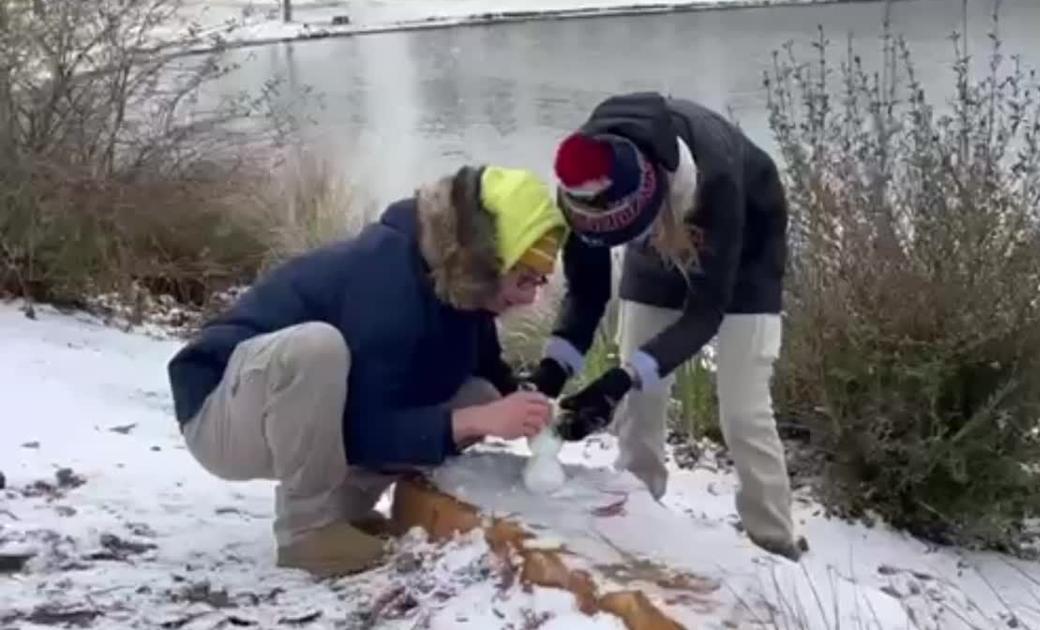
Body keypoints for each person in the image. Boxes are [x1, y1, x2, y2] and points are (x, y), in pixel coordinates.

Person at [167, 165, 565, 578]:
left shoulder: (460, 282)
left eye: (540, 282)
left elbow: (489, 373)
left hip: (298, 415)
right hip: (222, 413)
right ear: (489, 258)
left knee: (478, 393)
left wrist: (531, 407)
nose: (531, 297)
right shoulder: (388, 281)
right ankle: (306, 532)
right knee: (317, 349)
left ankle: (344, 512)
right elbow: (362, 430)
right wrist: (473, 422)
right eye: (524, 279)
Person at [526, 92, 801, 560]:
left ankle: (774, 539)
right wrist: (550, 375)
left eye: (623, 237)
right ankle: (638, 509)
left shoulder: (715, 176)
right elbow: (588, 294)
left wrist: (621, 376)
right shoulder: (587, 185)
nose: (614, 246)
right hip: (656, 228)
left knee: (743, 411)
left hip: (745, 254)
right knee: (639, 402)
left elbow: (704, 315)